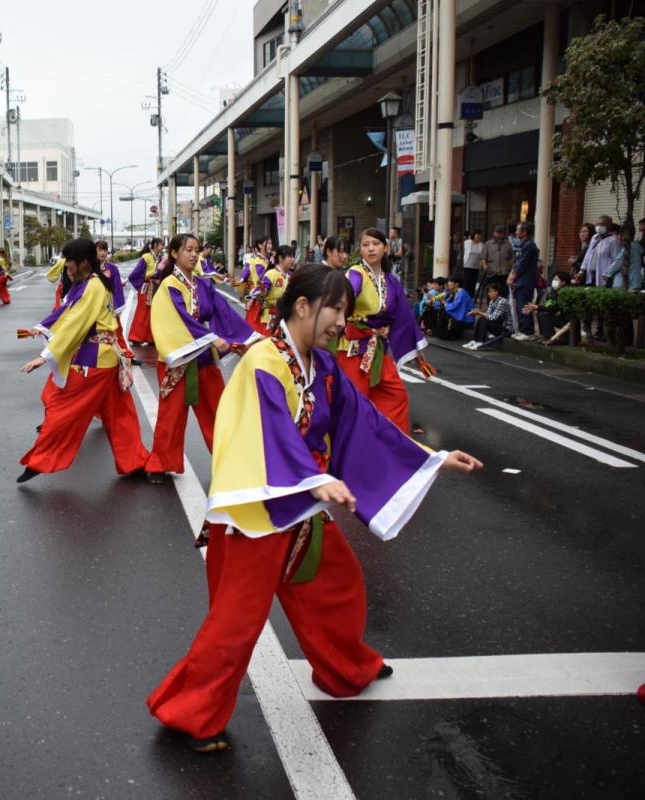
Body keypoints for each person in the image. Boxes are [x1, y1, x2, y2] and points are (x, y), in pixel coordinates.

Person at [146, 264, 482, 752]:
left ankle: (347, 667)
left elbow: (364, 424)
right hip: (256, 516)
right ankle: (189, 714)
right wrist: (313, 478)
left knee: (336, 585)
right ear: (302, 306)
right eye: (337, 310)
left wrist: (430, 460)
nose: (342, 323)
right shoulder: (264, 361)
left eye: (346, 312)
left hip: (300, 506)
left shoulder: (320, 364)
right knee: (236, 624)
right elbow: (268, 433)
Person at [18, 238, 148, 482]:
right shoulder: (89, 283)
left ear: (84, 264)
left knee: (64, 407)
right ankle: (135, 461)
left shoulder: (93, 286)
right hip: (106, 356)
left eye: (70, 264)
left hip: (95, 358)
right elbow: (66, 311)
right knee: (120, 415)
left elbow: (75, 323)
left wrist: (45, 356)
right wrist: (41, 327)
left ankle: (41, 460)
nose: (67, 269)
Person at [144, 234, 255, 484]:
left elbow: (222, 312)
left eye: (197, 250)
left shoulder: (203, 284)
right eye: (188, 250)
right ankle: (160, 463)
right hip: (179, 359)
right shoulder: (169, 286)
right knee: (170, 415)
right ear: (174, 253)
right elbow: (179, 319)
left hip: (203, 357)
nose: (194, 255)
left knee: (219, 411)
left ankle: (229, 461)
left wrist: (247, 338)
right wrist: (211, 338)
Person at [336, 227, 427, 433]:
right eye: (365, 245)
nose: (371, 249)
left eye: (376, 244)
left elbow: (404, 316)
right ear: (359, 250)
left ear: (385, 248)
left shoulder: (391, 281)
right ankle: (353, 451)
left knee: (396, 395)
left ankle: (389, 447)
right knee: (355, 403)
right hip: (353, 350)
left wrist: (416, 347)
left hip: (377, 349)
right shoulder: (355, 274)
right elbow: (347, 293)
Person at [244, 244, 296, 333]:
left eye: (293, 257)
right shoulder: (271, 274)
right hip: (270, 318)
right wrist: (260, 293)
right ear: (280, 258)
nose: (293, 259)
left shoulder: (291, 277)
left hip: (285, 319)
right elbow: (262, 291)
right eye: (290, 257)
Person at [125, 238, 164, 345]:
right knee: (142, 311)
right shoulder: (146, 257)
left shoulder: (160, 258)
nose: (163, 247)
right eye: (161, 244)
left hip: (155, 286)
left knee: (153, 312)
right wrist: (128, 281)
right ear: (155, 245)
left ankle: (150, 338)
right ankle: (136, 337)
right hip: (146, 286)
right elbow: (137, 272)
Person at [508, 222, 540, 338]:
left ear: (524, 232)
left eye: (518, 230)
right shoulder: (524, 244)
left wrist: (513, 276)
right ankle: (522, 329)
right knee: (519, 305)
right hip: (521, 280)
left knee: (523, 305)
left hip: (525, 280)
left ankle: (528, 331)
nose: (516, 232)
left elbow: (522, 263)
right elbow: (517, 262)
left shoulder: (529, 245)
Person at [464, 281, 512, 349]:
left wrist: (479, 313)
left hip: (506, 329)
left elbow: (493, 317)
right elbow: (488, 314)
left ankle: (481, 342)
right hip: (498, 325)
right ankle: (475, 340)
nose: (492, 293)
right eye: (490, 292)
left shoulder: (502, 301)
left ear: (498, 292)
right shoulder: (492, 301)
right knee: (481, 319)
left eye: (495, 291)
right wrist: (477, 313)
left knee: (484, 320)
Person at [582, 216, 621, 287]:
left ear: (609, 225)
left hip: (603, 276)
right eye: (597, 224)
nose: (599, 226)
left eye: (602, 224)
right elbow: (589, 254)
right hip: (591, 273)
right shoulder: (595, 237)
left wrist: (608, 273)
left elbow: (617, 260)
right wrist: (582, 270)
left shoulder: (612, 241)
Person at [435, 275, 474, 340]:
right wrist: (441, 302)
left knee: (445, 312)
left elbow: (454, 306)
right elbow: (447, 303)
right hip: (459, 315)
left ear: (456, 284)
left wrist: (444, 303)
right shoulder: (454, 292)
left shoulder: (462, 294)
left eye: (451, 281)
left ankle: (446, 334)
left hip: (465, 318)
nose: (448, 283)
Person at [479, 225, 513, 290]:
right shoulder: (488, 244)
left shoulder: (508, 244)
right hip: (492, 273)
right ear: (494, 233)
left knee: (504, 293)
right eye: (498, 232)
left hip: (505, 273)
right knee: (491, 292)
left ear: (504, 233)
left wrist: (512, 269)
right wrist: (484, 265)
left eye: (501, 232)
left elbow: (512, 258)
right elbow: (482, 257)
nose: (499, 234)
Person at [462, 231, 482, 296]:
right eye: (477, 235)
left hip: (476, 267)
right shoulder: (467, 242)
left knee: (473, 283)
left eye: (479, 235)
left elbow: (482, 256)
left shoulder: (481, 245)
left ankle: (471, 297)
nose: (478, 236)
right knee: (466, 282)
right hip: (467, 265)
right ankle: (465, 297)